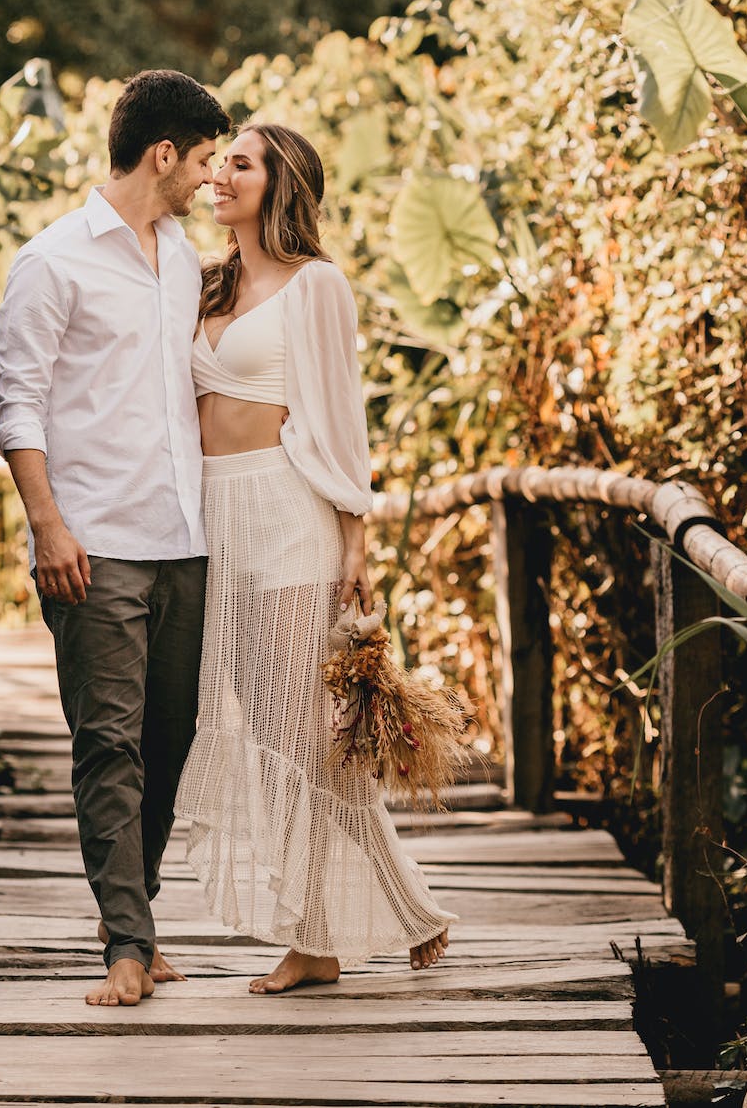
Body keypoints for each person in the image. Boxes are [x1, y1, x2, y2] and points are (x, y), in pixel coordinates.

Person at [173, 123, 456, 994]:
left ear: (281, 183)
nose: (220, 175)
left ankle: (315, 934)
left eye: (241, 164)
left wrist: (356, 538)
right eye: (219, 162)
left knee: (296, 728)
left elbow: (339, 414)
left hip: (289, 512)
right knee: (270, 727)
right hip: (215, 514)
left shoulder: (317, 284)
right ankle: (404, 907)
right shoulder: (206, 279)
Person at [0, 70, 231, 1007]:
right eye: (203, 159)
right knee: (108, 745)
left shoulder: (183, 260)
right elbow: (18, 406)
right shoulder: (52, 261)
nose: (209, 177)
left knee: (171, 742)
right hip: (94, 543)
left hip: (186, 540)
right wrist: (47, 525)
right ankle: (127, 942)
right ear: (163, 153)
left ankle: (136, 913)